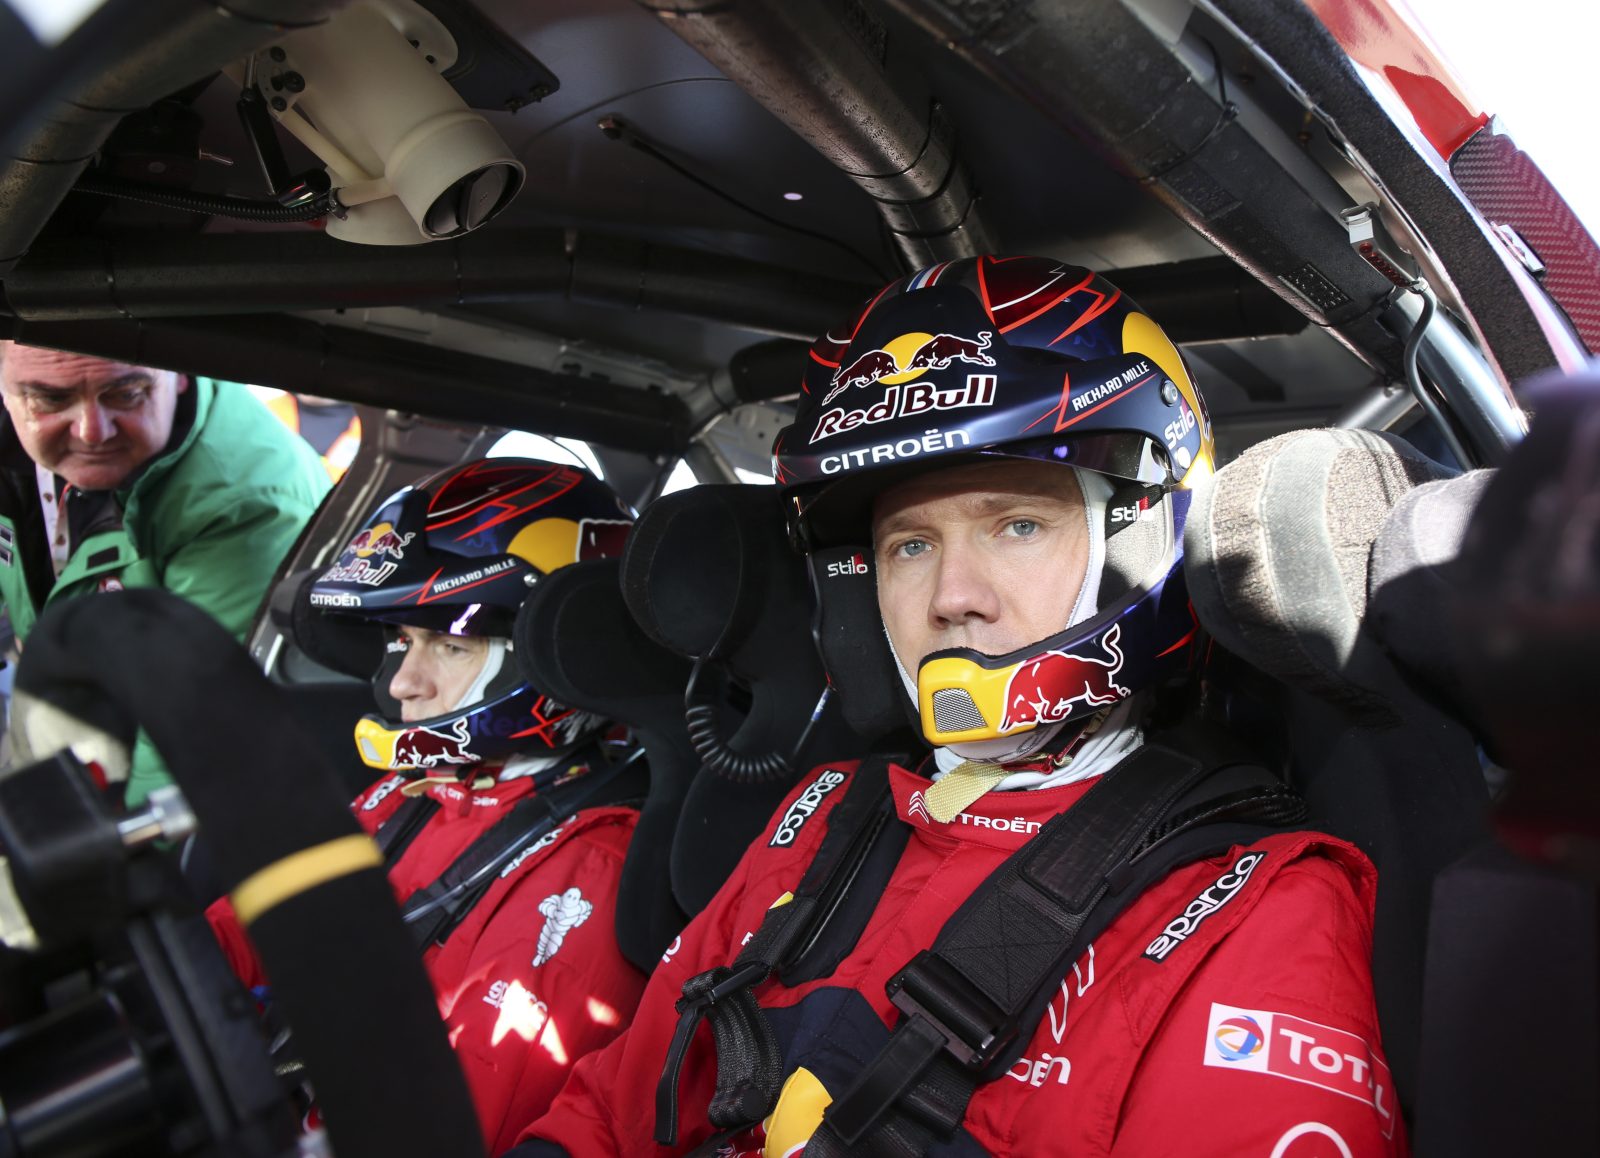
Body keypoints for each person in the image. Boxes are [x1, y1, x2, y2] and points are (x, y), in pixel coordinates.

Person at [510, 257, 1403, 1156]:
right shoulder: (824, 810)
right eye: (910, 545)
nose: (952, 597)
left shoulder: (1254, 907)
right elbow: (609, 1112)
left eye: (1018, 525)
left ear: (1138, 534)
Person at [206, 456, 648, 1154]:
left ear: (561, 649)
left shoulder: (591, 867)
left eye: (451, 645)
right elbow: (255, 927)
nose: (404, 683)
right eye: (404, 642)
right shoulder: (416, 787)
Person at [0, 342, 329, 802]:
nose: (91, 431)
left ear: (181, 372)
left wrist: (123, 839)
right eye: (51, 399)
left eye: (126, 394)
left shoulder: (246, 503)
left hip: (166, 748)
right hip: (60, 698)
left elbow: (194, 742)